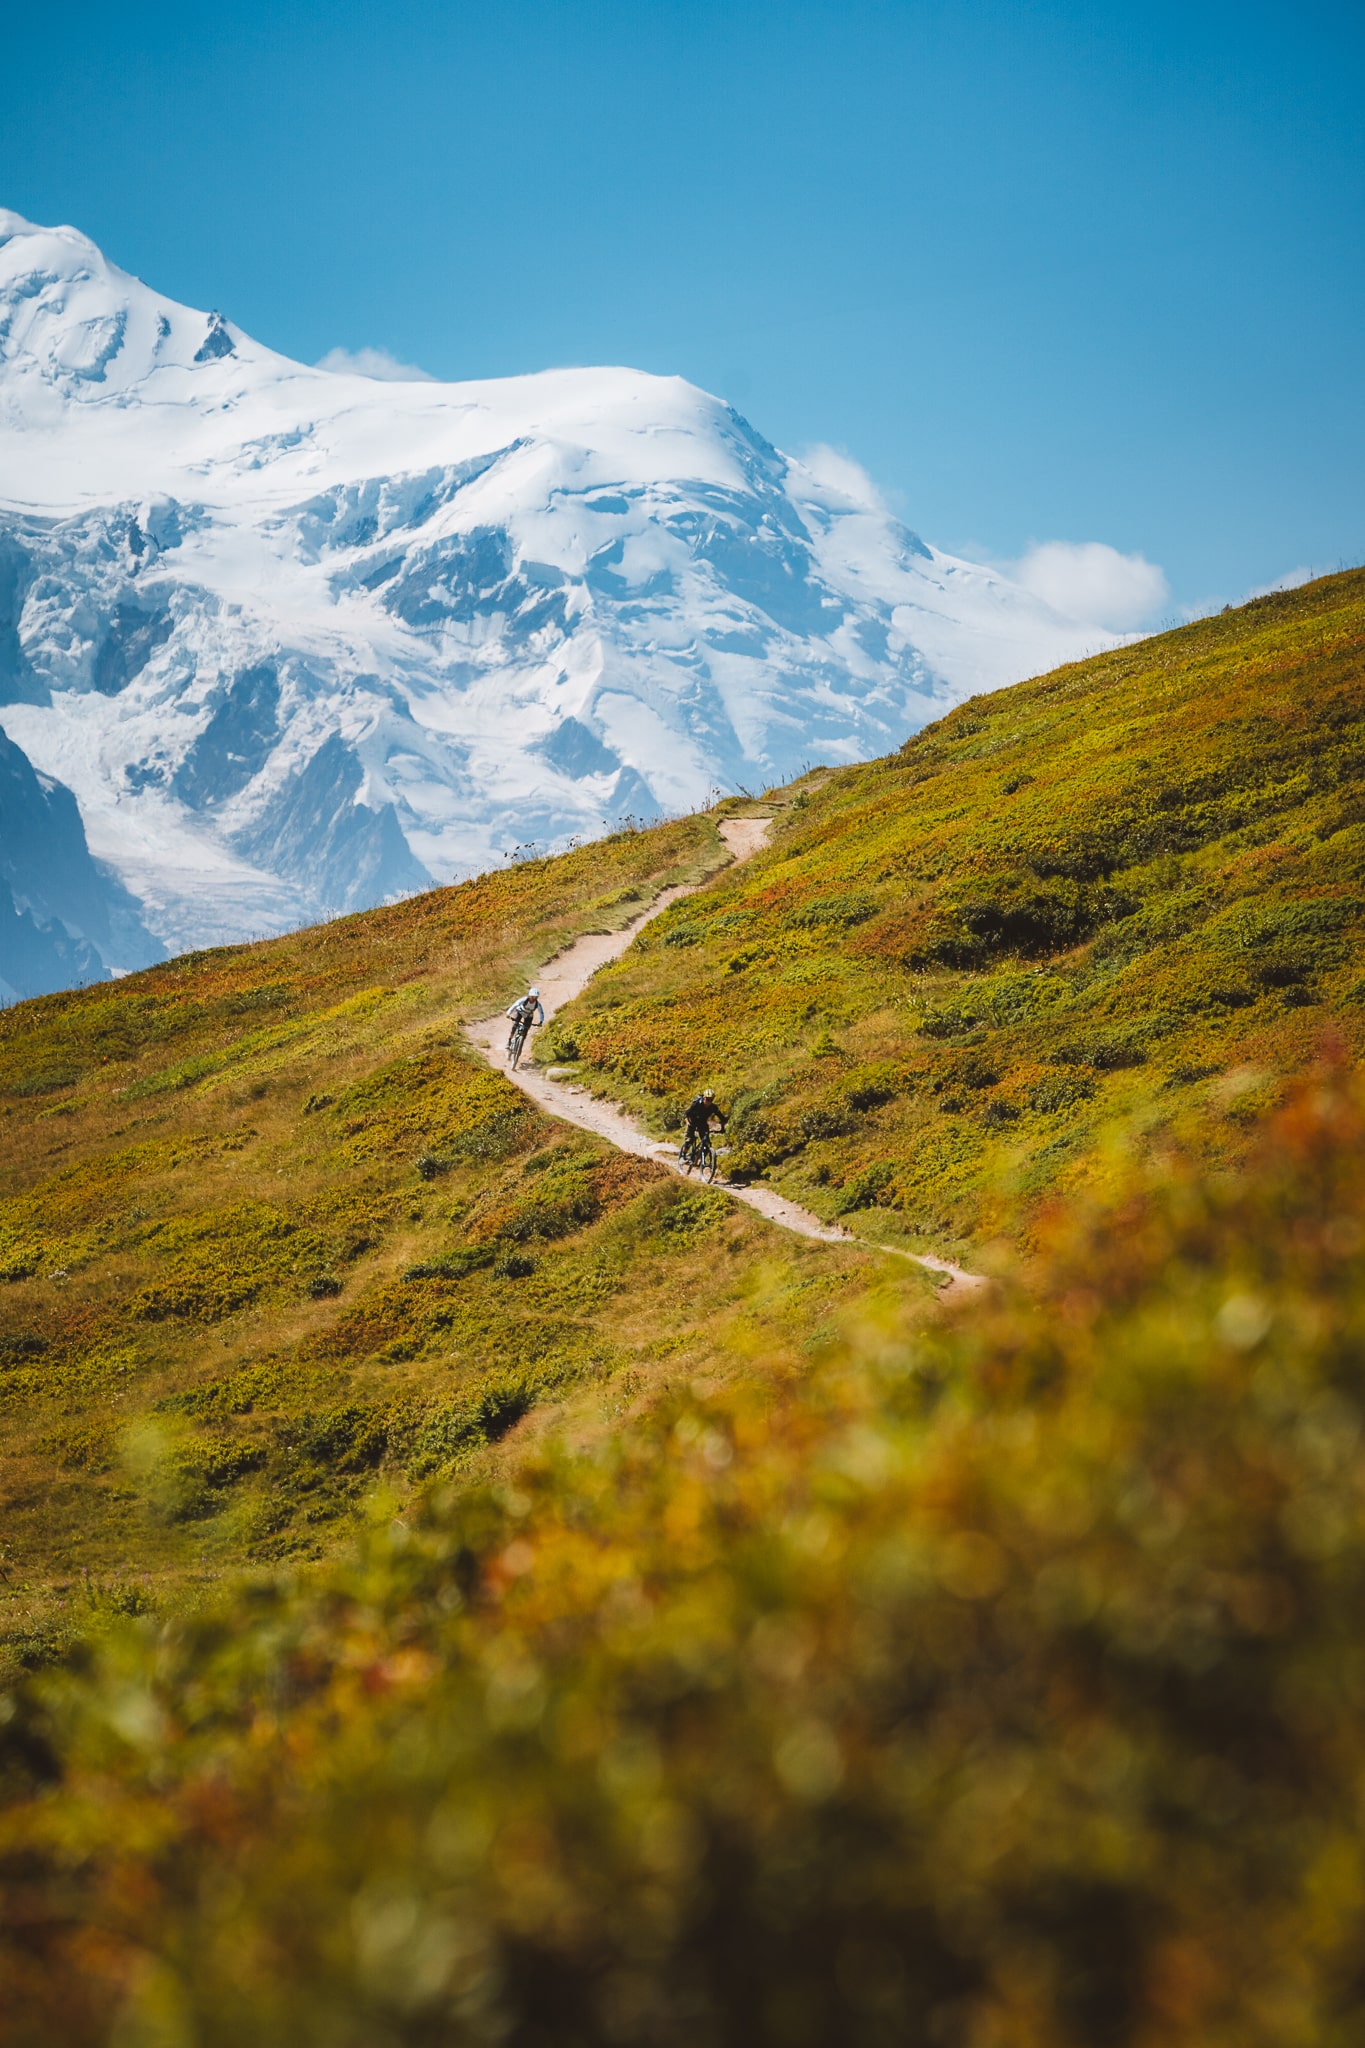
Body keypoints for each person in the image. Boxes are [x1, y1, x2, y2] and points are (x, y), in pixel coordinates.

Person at [683, 1088, 726, 1155]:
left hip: (702, 1123)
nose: (709, 1102)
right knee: (689, 1140)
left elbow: (722, 1118)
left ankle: (701, 1159)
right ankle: (683, 1156)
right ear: (704, 1098)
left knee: (707, 1143)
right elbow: (686, 1114)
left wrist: (722, 1128)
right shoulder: (697, 1104)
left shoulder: (713, 1107)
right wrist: (688, 1123)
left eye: (711, 1100)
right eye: (707, 1099)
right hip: (692, 1121)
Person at [506, 986, 544, 1054]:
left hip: (528, 1015)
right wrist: (508, 1013)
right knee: (515, 1025)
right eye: (532, 997)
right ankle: (509, 1041)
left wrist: (541, 1021)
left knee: (525, 1031)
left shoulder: (537, 1004)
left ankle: (520, 1047)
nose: (534, 999)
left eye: (536, 997)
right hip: (519, 1012)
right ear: (529, 996)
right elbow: (515, 1005)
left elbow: (541, 1012)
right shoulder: (523, 1000)